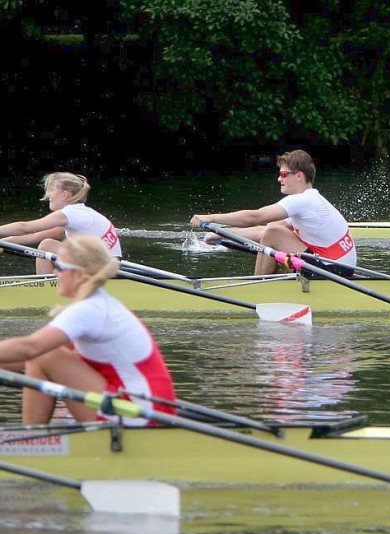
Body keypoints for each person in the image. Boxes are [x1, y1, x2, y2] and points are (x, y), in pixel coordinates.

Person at [0, 235, 176, 426]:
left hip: (141, 412)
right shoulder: (97, 304)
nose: (55, 273)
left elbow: (30, 348)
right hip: (147, 406)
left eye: (59, 267)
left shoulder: (90, 309)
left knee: (46, 355)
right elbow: (25, 360)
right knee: (46, 354)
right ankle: (33, 440)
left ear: (80, 275)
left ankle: (30, 444)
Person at [190, 149, 356, 277]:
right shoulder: (310, 202)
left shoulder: (302, 200)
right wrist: (222, 235)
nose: (279, 179)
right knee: (273, 229)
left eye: (283, 174)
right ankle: (265, 283)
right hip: (337, 267)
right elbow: (264, 231)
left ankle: (260, 288)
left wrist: (210, 217)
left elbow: (254, 218)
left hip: (333, 271)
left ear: (299, 176)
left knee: (273, 232)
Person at [0, 172, 122, 274]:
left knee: (47, 245)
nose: (48, 196)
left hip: (102, 270)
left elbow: (24, 228)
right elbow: (34, 236)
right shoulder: (82, 213)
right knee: (48, 243)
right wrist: (3, 243)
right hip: (108, 266)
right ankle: (50, 283)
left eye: (51, 191)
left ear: (64, 194)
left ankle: (44, 288)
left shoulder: (69, 213)